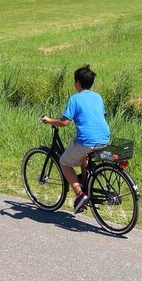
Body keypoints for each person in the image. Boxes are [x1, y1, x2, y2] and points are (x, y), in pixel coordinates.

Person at [41, 64, 110, 213]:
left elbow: (64, 122)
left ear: (78, 82)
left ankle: (80, 194)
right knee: (83, 155)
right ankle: (85, 183)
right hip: (104, 138)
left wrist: (49, 120)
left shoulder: (75, 99)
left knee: (64, 162)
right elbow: (101, 115)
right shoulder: (97, 96)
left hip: (87, 140)